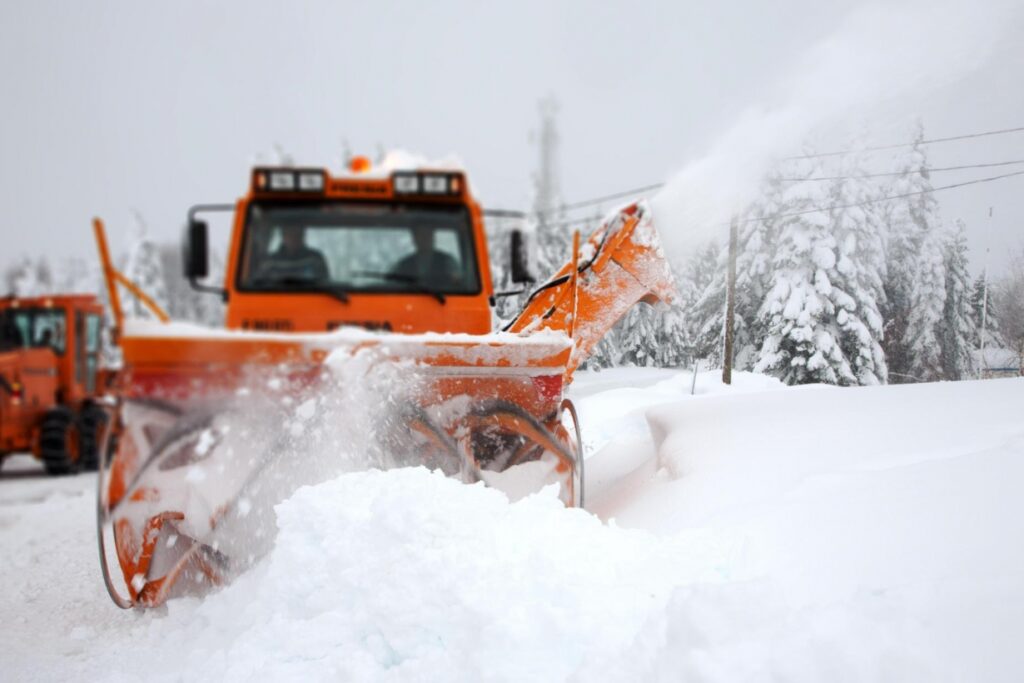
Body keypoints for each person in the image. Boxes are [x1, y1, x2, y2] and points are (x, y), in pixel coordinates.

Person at [254, 225, 329, 283]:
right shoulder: (270, 262)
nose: (294, 238)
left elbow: (325, 283)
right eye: (290, 234)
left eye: (298, 235)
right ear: (283, 237)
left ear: (303, 236)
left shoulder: (315, 259)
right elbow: (258, 286)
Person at [389, 228, 461, 286]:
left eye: (428, 235)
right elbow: (392, 284)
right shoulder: (403, 264)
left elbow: (457, 283)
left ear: (433, 237)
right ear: (414, 238)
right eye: (422, 236)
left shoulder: (447, 261)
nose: (425, 239)